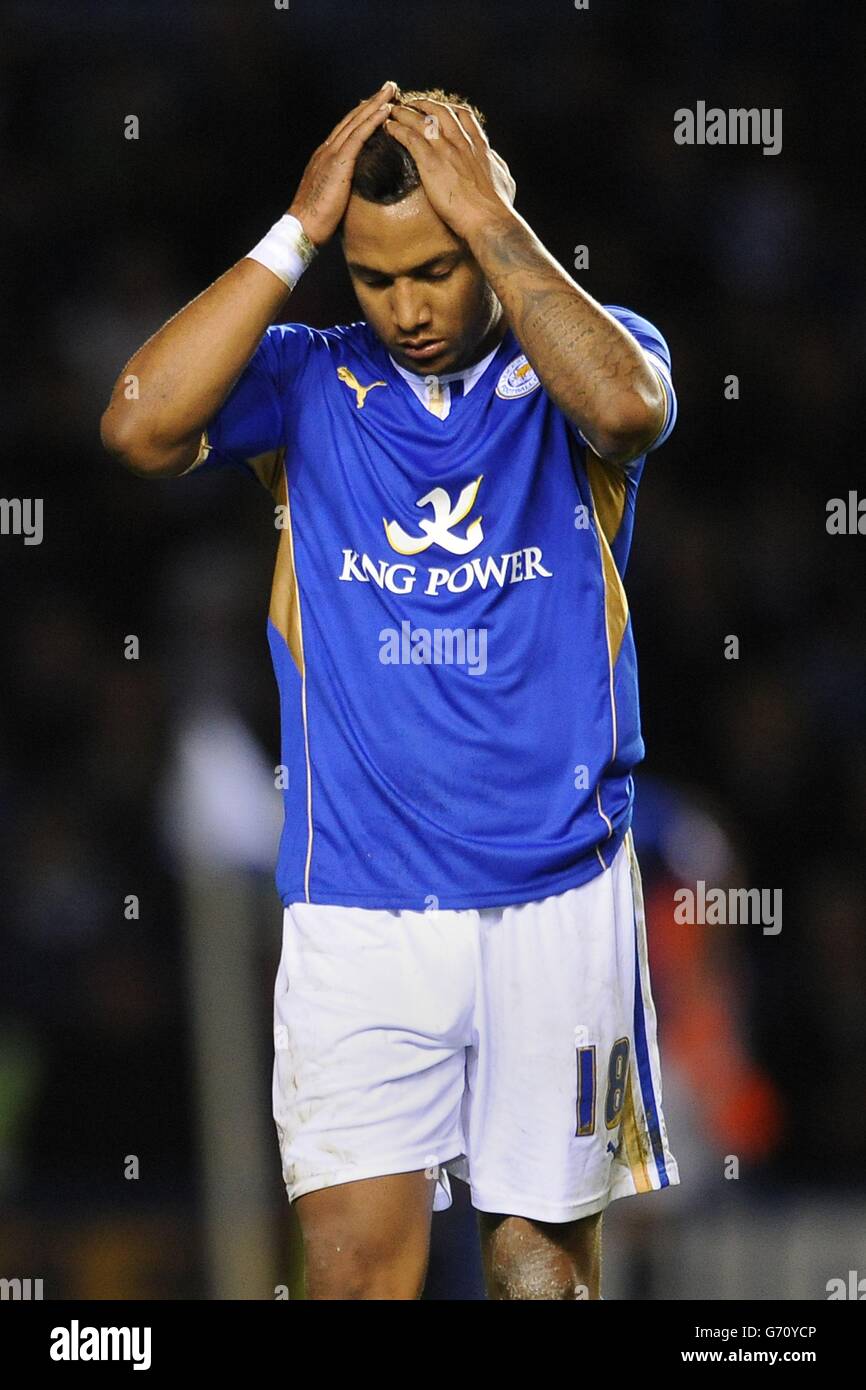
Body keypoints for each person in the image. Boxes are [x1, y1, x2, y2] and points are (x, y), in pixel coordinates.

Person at [101, 79, 680, 1300]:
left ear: (485, 234)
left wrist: (495, 226)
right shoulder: (308, 381)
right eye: (374, 278)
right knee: (358, 1278)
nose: (408, 308)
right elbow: (138, 425)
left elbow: (628, 409)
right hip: (359, 902)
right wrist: (292, 235)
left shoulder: (590, 352)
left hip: (557, 895)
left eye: (437, 266)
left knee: (539, 1276)